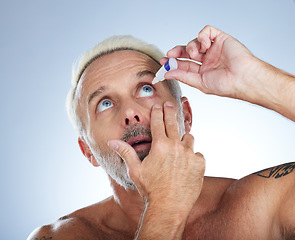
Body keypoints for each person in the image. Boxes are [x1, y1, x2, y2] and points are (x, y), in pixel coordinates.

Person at [28, 25, 295, 240]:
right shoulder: (65, 235)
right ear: (88, 151)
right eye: (105, 103)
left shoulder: (261, 205)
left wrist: (256, 81)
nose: (130, 113)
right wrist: (165, 208)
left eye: (146, 88)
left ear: (186, 116)